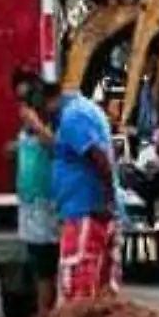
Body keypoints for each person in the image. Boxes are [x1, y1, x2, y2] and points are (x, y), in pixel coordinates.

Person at [42, 81, 120, 304]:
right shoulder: (83, 109)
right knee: (100, 287)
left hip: (84, 209)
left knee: (77, 285)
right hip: (90, 208)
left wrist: (106, 200)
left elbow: (99, 158)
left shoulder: (72, 117)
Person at [12, 70, 60, 316]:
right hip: (29, 206)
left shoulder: (49, 127)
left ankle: (46, 315)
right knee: (37, 265)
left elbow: (57, 148)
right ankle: (44, 313)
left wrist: (36, 125)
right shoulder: (25, 133)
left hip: (46, 206)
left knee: (46, 267)